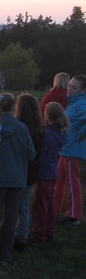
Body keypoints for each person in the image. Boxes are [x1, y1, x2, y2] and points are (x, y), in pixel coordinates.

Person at [0, 93, 36, 265]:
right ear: (14, 107)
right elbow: (31, 154)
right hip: (17, 178)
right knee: (11, 218)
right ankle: (4, 254)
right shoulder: (21, 128)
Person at [30, 102, 68, 243]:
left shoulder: (48, 135)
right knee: (49, 203)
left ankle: (39, 233)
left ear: (47, 115)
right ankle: (49, 230)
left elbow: (41, 154)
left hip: (44, 172)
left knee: (39, 204)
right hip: (52, 171)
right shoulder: (61, 133)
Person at [53, 74, 86, 225]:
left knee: (72, 182)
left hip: (73, 149)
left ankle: (73, 215)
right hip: (65, 148)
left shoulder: (81, 104)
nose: (70, 89)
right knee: (58, 179)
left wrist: (82, 133)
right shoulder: (73, 103)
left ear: (83, 90)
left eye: (74, 87)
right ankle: (53, 208)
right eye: (70, 86)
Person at [13, 93, 43, 249]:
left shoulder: (18, 127)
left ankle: (13, 235)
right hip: (32, 172)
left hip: (19, 170)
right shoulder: (39, 128)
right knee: (24, 205)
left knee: (13, 205)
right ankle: (22, 235)